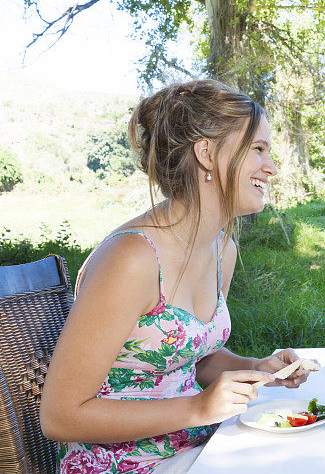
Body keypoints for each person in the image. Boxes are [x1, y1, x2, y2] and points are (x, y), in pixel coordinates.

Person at [39, 80, 311, 473]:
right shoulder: (132, 258)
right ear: (206, 153)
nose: (270, 167)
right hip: (127, 466)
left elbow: (193, 359)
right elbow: (60, 417)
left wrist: (258, 366)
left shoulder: (222, 250)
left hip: (200, 451)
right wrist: (198, 407)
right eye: (258, 149)